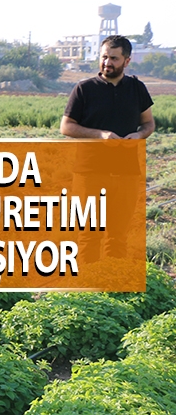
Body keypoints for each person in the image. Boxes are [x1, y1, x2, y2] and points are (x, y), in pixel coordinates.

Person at [60, 34, 154, 262]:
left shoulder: (137, 89)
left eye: (114, 58)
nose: (107, 63)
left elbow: (148, 123)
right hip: (90, 173)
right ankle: (88, 283)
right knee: (88, 237)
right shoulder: (84, 89)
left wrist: (139, 135)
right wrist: (99, 134)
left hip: (126, 173)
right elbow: (66, 127)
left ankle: (112, 282)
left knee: (118, 238)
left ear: (127, 61)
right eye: (104, 57)